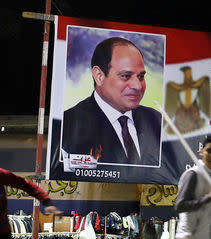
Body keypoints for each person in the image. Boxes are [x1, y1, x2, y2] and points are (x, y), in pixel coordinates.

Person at [62, 37, 162, 166]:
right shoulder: (68, 126)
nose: (138, 86)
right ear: (99, 76)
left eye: (141, 76)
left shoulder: (156, 121)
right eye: (126, 76)